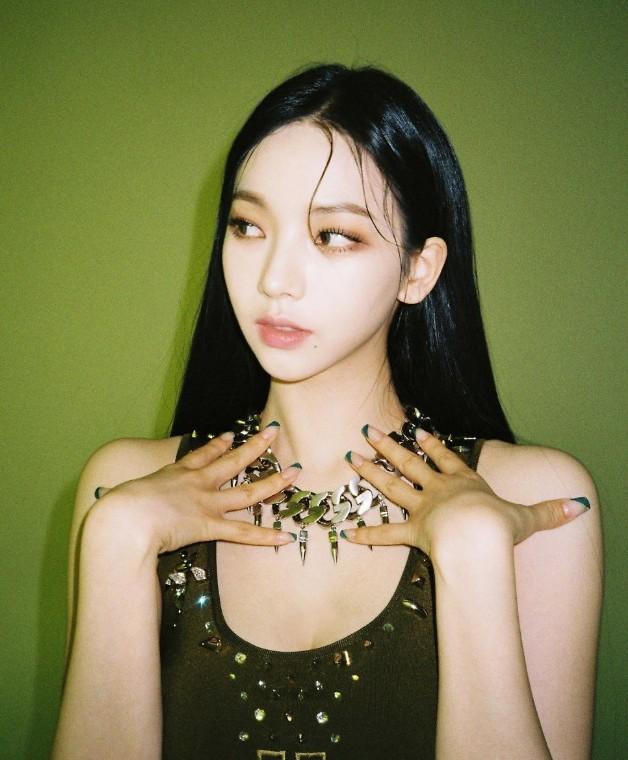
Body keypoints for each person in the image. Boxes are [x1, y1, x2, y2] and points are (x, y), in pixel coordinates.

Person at [53, 64, 601, 760]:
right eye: (247, 226)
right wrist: (116, 539)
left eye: (334, 235)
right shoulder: (124, 487)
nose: (274, 279)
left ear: (419, 269)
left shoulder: (533, 500)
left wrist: (473, 552)